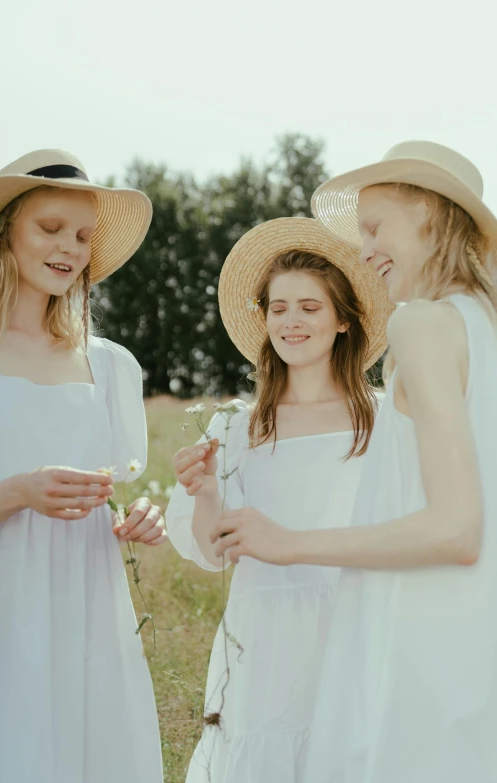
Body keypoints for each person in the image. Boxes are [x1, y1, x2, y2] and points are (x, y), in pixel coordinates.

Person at [212, 141, 497, 783]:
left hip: (425, 633)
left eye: (374, 227)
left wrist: (290, 543)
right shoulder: (484, 324)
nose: (364, 250)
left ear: (428, 212)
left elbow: (456, 529)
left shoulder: (422, 325)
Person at [166, 217, 392, 783]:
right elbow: (214, 551)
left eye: (310, 308)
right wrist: (205, 491)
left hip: (357, 620)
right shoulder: (237, 427)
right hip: (265, 633)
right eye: (278, 307)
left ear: (343, 320)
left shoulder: (386, 421)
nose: (291, 321)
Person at [0, 149, 166, 783]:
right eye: (50, 228)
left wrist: (137, 515)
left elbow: (106, 493)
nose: (70, 248)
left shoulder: (110, 366)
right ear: (7, 235)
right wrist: (18, 492)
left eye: (83, 236)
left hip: (86, 614)